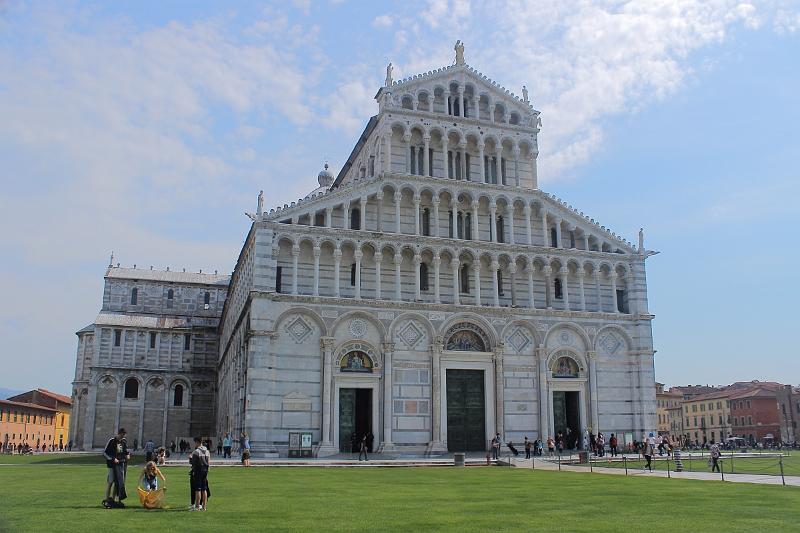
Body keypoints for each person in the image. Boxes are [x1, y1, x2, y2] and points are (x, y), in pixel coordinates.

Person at [102, 428, 130, 508]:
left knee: (117, 483)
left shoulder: (123, 442)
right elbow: (105, 453)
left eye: (124, 435)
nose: (123, 437)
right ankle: (107, 500)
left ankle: (113, 500)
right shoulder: (112, 441)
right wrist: (113, 459)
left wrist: (128, 455)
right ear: (119, 433)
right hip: (112, 465)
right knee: (110, 482)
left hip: (121, 465)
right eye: (122, 435)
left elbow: (125, 451)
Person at [189, 436, 210, 511]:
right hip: (205, 471)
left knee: (197, 490)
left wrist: (190, 458)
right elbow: (208, 462)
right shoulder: (207, 451)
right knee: (204, 489)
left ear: (197, 442)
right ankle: (204, 507)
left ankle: (197, 507)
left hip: (198, 471)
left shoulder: (196, 452)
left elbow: (193, 463)